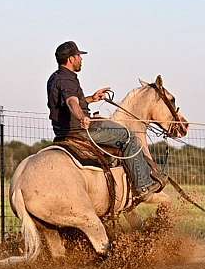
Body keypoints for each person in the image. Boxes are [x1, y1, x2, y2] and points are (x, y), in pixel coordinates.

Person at [46, 41, 162, 200]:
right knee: (127, 136)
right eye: (78, 55)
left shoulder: (55, 78)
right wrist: (82, 117)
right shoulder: (68, 79)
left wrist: (92, 99)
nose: (81, 59)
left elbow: (66, 102)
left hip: (62, 132)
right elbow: (71, 101)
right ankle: (143, 185)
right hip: (80, 131)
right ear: (71, 59)